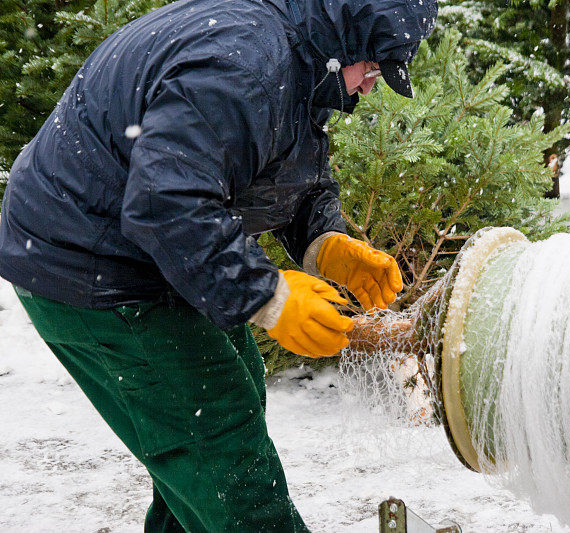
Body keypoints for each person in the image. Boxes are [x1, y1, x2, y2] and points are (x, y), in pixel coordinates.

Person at [0, 0, 436, 529]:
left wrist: (324, 240)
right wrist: (267, 296)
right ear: (347, 34)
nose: (370, 86)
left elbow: (281, 162)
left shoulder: (299, 53)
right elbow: (167, 201)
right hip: (87, 259)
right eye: (371, 67)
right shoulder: (245, 63)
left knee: (226, 406)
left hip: (140, 249)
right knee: (222, 450)